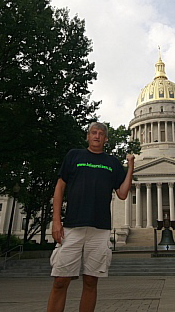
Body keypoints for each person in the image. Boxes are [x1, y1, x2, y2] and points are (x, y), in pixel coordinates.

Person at [47, 122, 135, 312]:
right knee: (60, 280)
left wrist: (131, 167)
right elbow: (60, 187)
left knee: (91, 281)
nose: (97, 136)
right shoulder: (74, 155)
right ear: (88, 136)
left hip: (100, 228)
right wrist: (56, 221)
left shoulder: (112, 162)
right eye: (93, 133)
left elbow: (122, 193)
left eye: (101, 134)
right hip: (72, 226)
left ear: (106, 139)